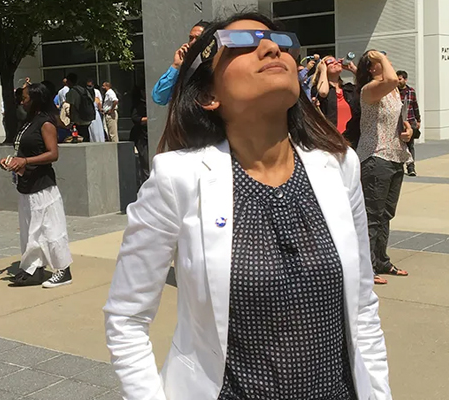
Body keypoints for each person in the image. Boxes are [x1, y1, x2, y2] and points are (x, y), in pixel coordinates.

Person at [104, 12, 390, 400]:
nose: (272, 48)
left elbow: (362, 307)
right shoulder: (178, 177)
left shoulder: (339, 165)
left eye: (280, 41)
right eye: (242, 45)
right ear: (208, 95)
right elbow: (126, 318)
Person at [0, 83, 73, 288]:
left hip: (43, 186)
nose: (22, 101)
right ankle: (34, 269)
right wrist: (13, 161)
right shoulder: (28, 121)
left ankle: (63, 270)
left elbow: (53, 154)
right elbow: (25, 151)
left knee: (51, 229)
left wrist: (25, 162)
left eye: (25, 97)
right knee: (30, 230)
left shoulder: (46, 122)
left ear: (36, 99)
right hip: (26, 184)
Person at [355, 51, 413, 285]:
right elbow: (391, 78)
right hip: (375, 157)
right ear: (371, 68)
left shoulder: (393, 91)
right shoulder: (370, 89)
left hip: (395, 156)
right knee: (372, 216)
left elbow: (396, 120)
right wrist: (378, 55)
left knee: (386, 215)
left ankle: (381, 261)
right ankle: (366, 267)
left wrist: (408, 132)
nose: (388, 62)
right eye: (381, 61)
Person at [152, 21, 209, 106]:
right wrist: (176, 66)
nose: (192, 42)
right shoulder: (185, 68)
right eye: (191, 38)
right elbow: (159, 98)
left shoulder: (216, 64)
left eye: (198, 38)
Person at [313, 55, 360, 139]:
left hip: (352, 138)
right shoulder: (318, 89)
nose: (335, 62)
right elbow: (323, 92)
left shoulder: (349, 89)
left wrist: (354, 70)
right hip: (331, 139)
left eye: (337, 61)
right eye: (330, 61)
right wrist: (323, 70)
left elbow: (368, 87)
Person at [397, 70, 421, 176]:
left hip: (410, 121)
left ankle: (411, 167)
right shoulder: (393, 92)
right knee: (398, 145)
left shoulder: (411, 91)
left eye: (400, 79)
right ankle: (399, 167)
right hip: (397, 122)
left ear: (405, 80)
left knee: (410, 145)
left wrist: (418, 119)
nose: (398, 80)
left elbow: (415, 106)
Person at [62, 73, 95, 142]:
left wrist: (71, 120)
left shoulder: (73, 91)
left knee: (79, 137)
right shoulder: (84, 90)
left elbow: (72, 107)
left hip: (79, 119)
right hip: (87, 117)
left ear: (69, 81)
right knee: (86, 135)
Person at [130, 86, 149, 185]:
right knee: (145, 163)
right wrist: (148, 119)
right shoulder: (139, 105)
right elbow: (135, 119)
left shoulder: (152, 103)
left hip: (149, 136)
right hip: (142, 136)